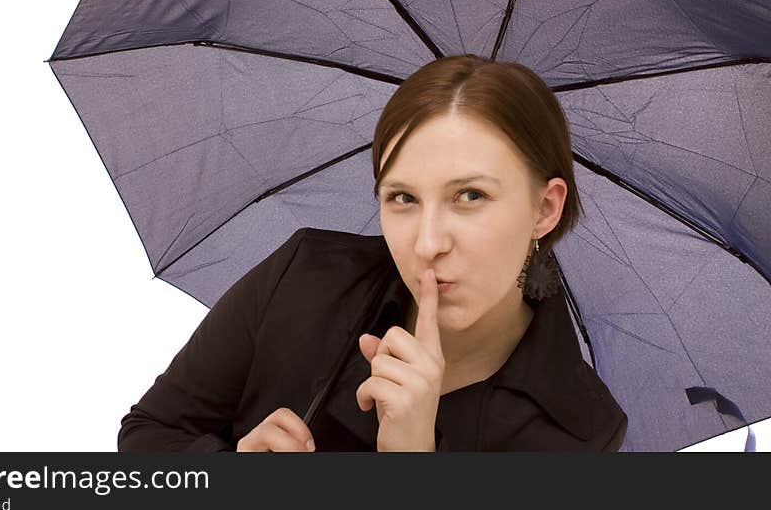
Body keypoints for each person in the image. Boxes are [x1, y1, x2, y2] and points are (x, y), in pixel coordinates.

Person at [117, 54, 628, 452]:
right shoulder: (305, 275)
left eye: (470, 196)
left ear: (544, 208)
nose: (427, 244)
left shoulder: (580, 430)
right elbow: (150, 434)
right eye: (403, 198)